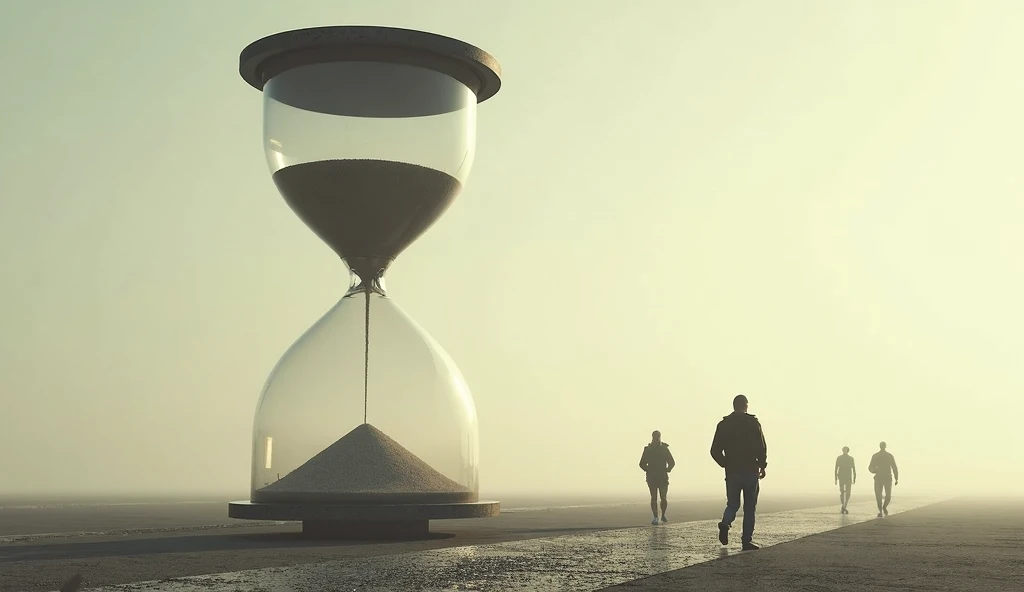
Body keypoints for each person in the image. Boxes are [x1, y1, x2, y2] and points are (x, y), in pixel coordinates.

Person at [710, 394, 767, 550]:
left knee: (733, 504)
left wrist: (725, 464)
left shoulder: (724, 424)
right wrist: (762, 465)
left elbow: (714, 450)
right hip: (750, 470)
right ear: (746, 405)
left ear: (734, 406)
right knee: (749, 508)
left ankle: (726, 523)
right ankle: (746, 540)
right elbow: (761, 447)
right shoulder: (753, 424)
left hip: (733, 471)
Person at [639, 430, 675, 525]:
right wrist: (648, 470)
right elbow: (641, 463)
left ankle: (662, 515)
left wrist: (668, 469)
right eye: (655, 436)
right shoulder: (648, 449)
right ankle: (655, 517)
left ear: (660, 437)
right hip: (652, 477)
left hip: (662, 477)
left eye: (657, 436)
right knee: (654, 498)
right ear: (652, 437)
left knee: (663, 498)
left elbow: (672, 462)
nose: (656, 438)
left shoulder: (664, 449)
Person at [868, 441, 899, 517]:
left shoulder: (889, 456)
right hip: (878, 477)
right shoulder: (875, 456)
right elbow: (870, 467)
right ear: (880, 446)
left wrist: (896, 477)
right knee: (878, 495)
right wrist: (875, 470)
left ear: (885, 446)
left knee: (888, 495)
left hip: (887, 477)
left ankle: (884, 507)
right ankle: (880, 510)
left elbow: (894, 467)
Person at [835, 446, 857, 514]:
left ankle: (844, 506)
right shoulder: (839, 458)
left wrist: (854, 478)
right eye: (843, 450)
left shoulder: (851, 459)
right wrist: (835, 478)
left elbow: (853, 468)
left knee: (848, 493)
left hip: (848, 477)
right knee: (842, 492)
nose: (844, 451)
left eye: (845, 450)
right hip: (841, 477)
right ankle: (843, 506)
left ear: (848, 451)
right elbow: (836, 468)